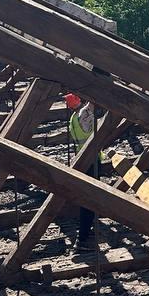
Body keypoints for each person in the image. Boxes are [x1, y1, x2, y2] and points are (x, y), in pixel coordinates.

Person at [64, 92, 98, 244]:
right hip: (91, 159)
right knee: (91, 199)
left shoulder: (72, 119)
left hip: (82, 158)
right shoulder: (83, 113)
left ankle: (86, 232)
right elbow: (93, 102)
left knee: (88, 197)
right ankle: (83, 237)